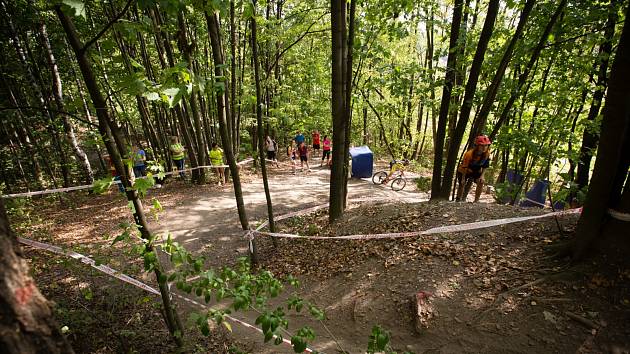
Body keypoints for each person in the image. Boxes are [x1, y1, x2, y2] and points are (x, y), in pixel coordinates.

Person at [456, 135, 491, 202]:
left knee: (481, 182)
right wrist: (463, 178)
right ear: (477, 146)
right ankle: (458, 200)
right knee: (462, 184)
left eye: (486, 145)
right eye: (482, 146)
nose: (484, 148)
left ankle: (476, 201)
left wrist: (482, 176)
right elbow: (464, 166)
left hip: (476, 170)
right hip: (464, 170)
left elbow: (485, 166)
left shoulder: (487, 153)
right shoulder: (469, 154)